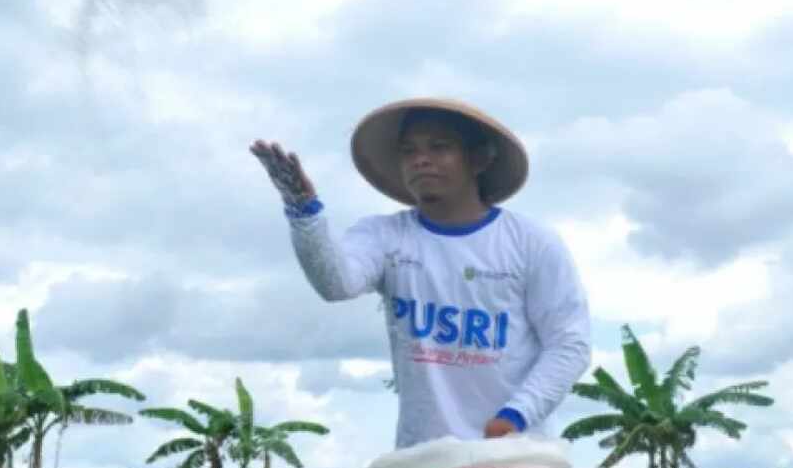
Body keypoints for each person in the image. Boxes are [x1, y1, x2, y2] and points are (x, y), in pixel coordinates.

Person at [251, 97, 591, 449]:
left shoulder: (531, 243)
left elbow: (570, 344)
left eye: (439, 147)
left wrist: (515, 415)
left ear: (479, 159)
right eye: (408, 151)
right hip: (421, 457)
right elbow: (336, 283)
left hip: (514, 453)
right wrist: (303, 212)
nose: (421, 159)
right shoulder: (385, 236)